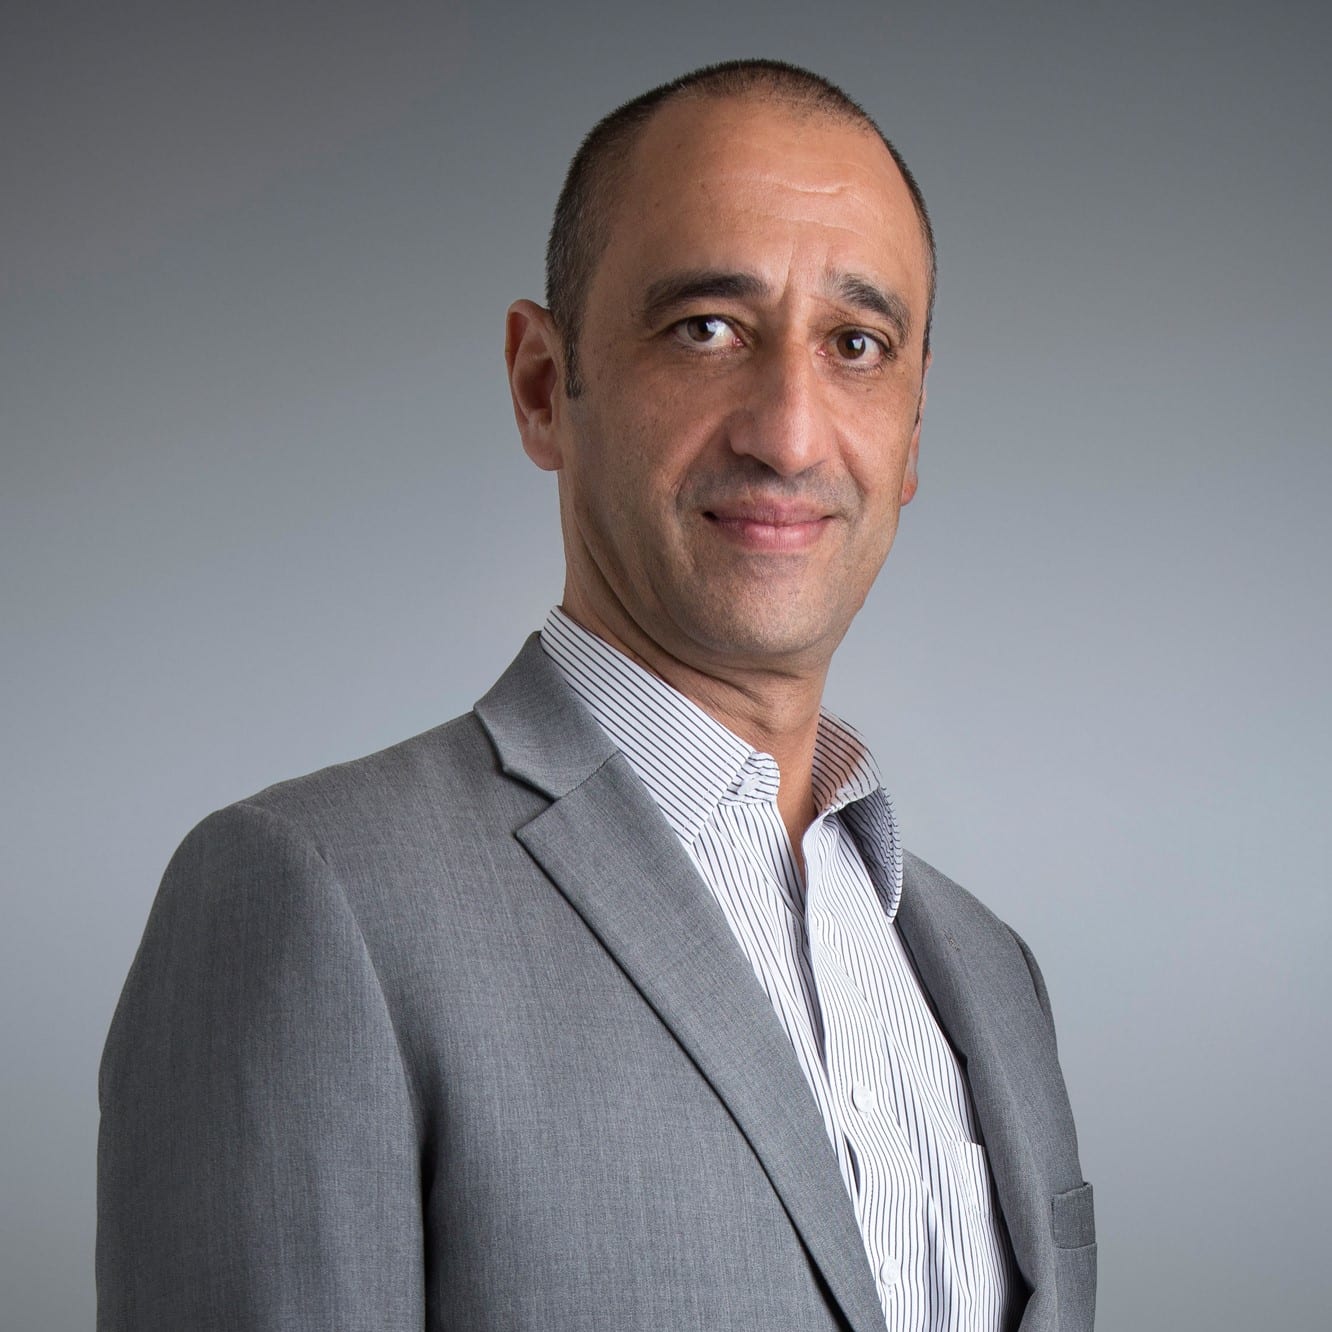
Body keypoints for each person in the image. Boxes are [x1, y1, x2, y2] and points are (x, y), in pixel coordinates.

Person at [97, 59, 1094, 1332]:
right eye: (707, 329)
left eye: (857, 346)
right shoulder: (312, 900)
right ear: (541, 386)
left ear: (911, 431)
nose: (789, 433)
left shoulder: (991, 974)